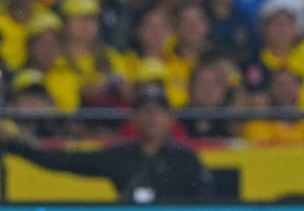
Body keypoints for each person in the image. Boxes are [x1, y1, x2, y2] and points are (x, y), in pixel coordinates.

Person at [0, 85, 215, 203]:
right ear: (134, 118)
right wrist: (14, 145)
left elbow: (206, 203)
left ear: (170, 119)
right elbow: (65, 160)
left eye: (158, 111)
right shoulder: (120, 156)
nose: (152, 118)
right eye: (145, 111)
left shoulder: (185, 160)